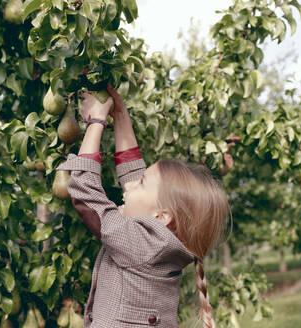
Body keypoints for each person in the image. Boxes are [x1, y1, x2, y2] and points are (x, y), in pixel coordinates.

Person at [57, 85, 230, 328]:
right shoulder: (162, 242)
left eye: (140, 184)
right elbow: (134, 175)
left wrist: (96, 121)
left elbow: (85, 193)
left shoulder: (141, 244)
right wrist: (120, 115)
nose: (128, 186)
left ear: (162, 216)